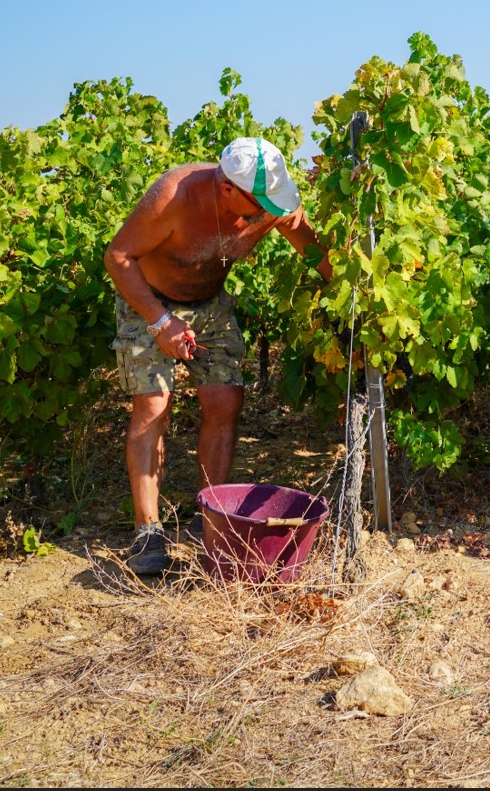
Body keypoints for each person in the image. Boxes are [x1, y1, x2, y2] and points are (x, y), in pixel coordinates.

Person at [104, 137, 333, 574]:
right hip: (149, 303)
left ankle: (210, 515)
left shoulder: (270, 205)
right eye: (260, 202)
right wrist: (159, 321)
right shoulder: (174, 196)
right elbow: (117, 256)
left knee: (224, 401)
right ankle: (147, 531)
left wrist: (353, 298)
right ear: (227, 189)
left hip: (211, 303)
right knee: (153, 406)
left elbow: (315, 252)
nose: (270, 211)